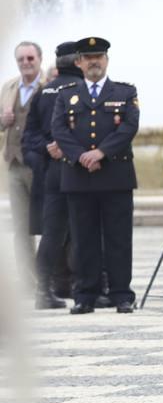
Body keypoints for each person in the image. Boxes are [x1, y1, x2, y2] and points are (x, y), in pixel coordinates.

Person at [51, 37, 139, 314]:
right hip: (79, 177)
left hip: (115, 176)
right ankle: (85, 295)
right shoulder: (66, 94)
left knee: (118, 239)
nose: (94, 62)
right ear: (79, 62)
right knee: (83, 238)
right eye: (89, 58)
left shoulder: (124, 92)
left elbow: (129, 127)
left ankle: (121, 294)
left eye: (99, 56)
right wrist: (80, 156)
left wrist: (100, 153)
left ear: (107, 60)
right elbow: (59, 129)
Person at [23, 41, 81, 308]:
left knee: (52, 234)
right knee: (89, 230)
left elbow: (29, 138)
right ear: (79, 61)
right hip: (80, 169)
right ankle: (92, 287)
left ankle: (43, 291)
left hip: (52, 172)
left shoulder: (43, 93)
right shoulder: (83, 90)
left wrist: (47, 149)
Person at [2, 40, 43, 283]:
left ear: (39, 59)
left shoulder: (48, 87)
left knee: (48, 225)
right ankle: (28, 281)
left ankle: (51, 278)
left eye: (30, 58)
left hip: (39, 165)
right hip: (14, 164)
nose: (25, 63)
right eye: (21, 59)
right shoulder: (8, 87)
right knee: (21, 227)